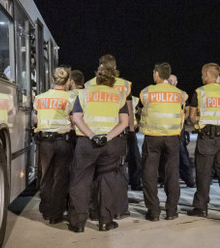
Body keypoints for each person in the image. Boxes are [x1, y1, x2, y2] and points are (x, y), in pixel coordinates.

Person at [68, 65, 129, 232]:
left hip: (87, 143)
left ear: (97, 78)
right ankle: (105, 221)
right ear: (112, 79)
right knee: (107, 181)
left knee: (80, 181)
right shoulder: (119, 96)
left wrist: (91, 135)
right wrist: (107, 137)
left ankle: (78, 223)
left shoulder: (84, 94)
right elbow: (123, 122)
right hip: (110, 144)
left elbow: (77, 118)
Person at [187, 63, 220, 217]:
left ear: (209, 75)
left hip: (207, 137)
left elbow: (191, 115)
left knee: (203, 172)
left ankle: (201, 207)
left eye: (203, 74)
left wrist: (198, 125)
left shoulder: (200, 92)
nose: (202, 77)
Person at [139, 63, 187, 221]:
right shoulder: (180, 94)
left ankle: (153, 212)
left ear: (157, 74)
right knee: (172, 174)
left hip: (152, 137)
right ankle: (172, 211)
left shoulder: (146, 92)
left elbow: (142, 107)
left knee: (149, 174)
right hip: (172, 137)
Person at [86, 55, 141, 192]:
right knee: (126, 160)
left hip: (96, 128)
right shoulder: (124, 85)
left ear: (100, 66)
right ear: (115, 67)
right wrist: (131, 127)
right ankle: (133, 184)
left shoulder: (89, 84)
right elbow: (129, 108)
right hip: (120, 128)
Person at [33, 67, 76, 224]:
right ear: (67, 81)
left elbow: (36, 120)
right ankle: (55, 214)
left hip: (45, 142)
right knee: (61, 177)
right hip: (63, 141)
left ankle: (45, 209)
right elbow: (74, 120)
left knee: (46, 176)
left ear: (52, 79)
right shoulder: (71, 98)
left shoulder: (39, 98)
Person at [168, 74, 195, 188]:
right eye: (169, 80)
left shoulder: (181, 94)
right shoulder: (166, 93)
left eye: (173, 80)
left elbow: (187, 109)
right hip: (167, 127)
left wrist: (183, 119)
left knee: (182, 153)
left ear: (177, 82)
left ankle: (189, 179)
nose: (171, 82)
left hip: (179, 129)